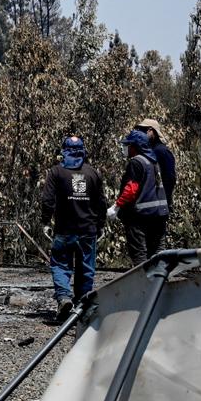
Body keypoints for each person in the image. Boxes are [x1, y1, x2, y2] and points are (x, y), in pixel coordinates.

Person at [40, 136, 107, 322]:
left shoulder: (56, 172)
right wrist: (100, 225)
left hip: (64, 229)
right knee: (86, 268)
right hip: (88, 229)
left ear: (64, 151)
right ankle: (81, 306)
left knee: (60, 265)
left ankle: (63, 298)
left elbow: (47, 200)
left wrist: (45, 221)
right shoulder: (93, 173)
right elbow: (101, 203)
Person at [108, 129, 169, 265]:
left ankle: (143, 284)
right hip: (159, 215)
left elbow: (131, 189)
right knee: (158, 253)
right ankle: (160, 283)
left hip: (140, 217)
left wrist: (116, 206)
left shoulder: (136, 162)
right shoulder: (154, 161)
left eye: (127, 145)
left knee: (140, 255)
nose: (124, 148)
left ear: (135, 147)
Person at [134, 118, 176, 220]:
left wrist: (161, 201)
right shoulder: (149, 151)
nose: (140, 133)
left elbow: (170, 179)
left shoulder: (162, 151)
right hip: (147, 209)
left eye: (143, 130)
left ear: (151, 131)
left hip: (157, 210)